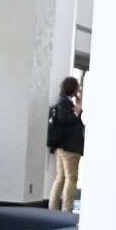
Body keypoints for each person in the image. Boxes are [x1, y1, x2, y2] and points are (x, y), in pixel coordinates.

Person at [46, 75, 85, 211]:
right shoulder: (65, 103)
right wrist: (77, 111)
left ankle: (53, 207)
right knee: (71, 177)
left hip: (61, 147)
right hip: (69, 148)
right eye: (77, 88)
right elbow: (65, 120)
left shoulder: (62, 102)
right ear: (73, 89)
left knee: (61, 177)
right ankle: (67, 209)